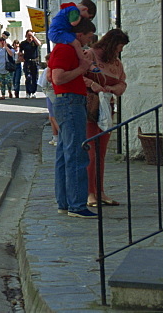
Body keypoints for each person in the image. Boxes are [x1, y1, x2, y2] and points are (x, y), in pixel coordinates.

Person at [50, 18, 100, 218]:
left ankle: (65, 201)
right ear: (80, 35)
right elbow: (58, 77)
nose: (89, 41)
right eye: (88, 37)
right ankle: (77, 204)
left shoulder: (65, 49)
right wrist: (82, 68)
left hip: (67, 102)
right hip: (70, 102)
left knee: (64, 154)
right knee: (77, 153)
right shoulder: (65, 50)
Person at [84, 29, 129, 208]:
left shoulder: (117, 64)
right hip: (89, 108)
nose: (120, 51)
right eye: (119, 47)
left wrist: (114, 89)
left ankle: (100, 191)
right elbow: (79, 75)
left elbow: (122, 82)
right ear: (112, 44)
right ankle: (89, 192)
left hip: (106, 108)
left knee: (101, 153)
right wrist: (93, 85)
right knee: (91, 152)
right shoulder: (90, 55)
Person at [49, 0, 98, 70]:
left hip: (59, 32)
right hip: (58, 32)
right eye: (86, 17)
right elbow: (74, 23)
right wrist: (79, 18)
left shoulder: (70, 8)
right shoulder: (74, 10)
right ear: (85, 9)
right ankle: (84, 61)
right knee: (76, 43)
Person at [20, 30, 42, 98]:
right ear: (26, 36)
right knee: (28, 77)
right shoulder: (23, 43)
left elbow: (39, 44)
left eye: (31, 35)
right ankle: (28, 92)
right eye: (28, 35)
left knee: (35, 77)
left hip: (35, 61)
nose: (30, 37)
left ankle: (34, 92)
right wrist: (21, 56)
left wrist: (33, 36)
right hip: (27, 62)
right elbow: (20, 52)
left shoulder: (34, 42)